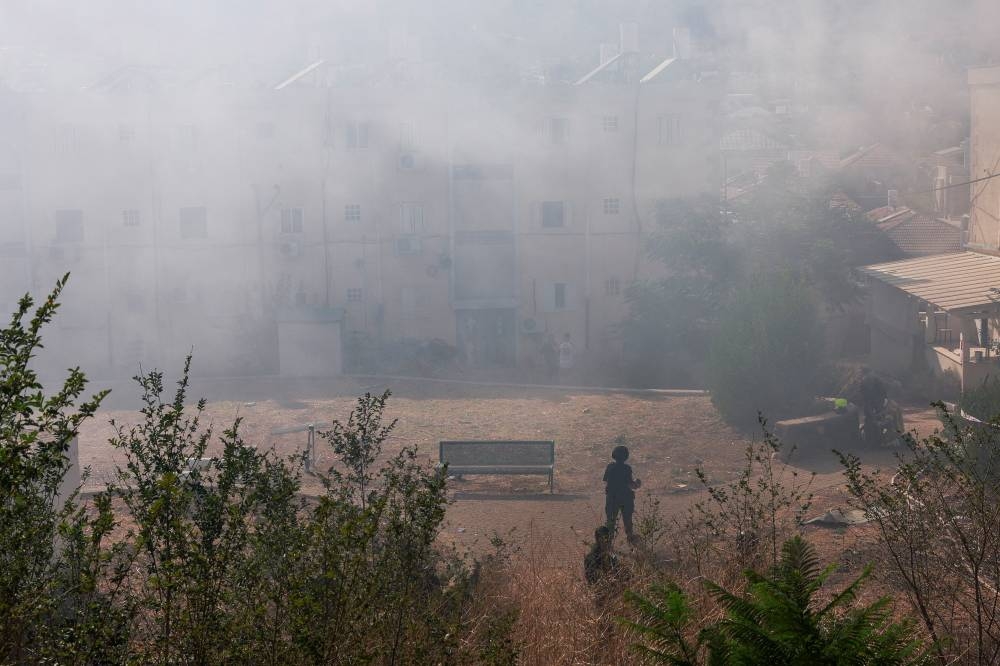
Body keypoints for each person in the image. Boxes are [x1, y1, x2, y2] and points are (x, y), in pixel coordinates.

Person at [604, 444, 641, 544]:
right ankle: (631, 539)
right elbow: (630, 485)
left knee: (611, 522)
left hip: (611, 498)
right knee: (627, 520)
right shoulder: (627, 468)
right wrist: (637, 483)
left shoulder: (610, 467)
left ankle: (608, 543)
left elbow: (606, 481)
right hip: (625, 498)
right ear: (626, 456)